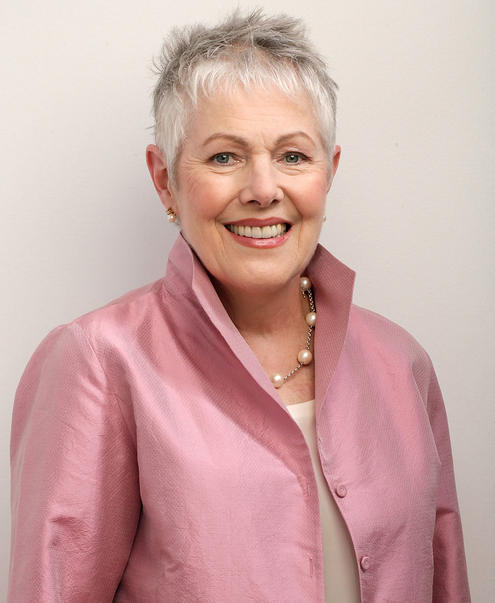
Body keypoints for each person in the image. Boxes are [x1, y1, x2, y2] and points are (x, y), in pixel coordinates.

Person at [8, 9, 470, 602]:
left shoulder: (402, 364)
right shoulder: (98, 362)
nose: (263, 189)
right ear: (165, 179)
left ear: (329, 172)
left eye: (293, 156)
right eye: (225, 157)